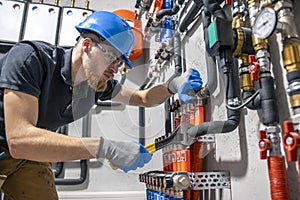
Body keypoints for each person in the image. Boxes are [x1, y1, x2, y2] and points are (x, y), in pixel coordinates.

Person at [0, 11, 202, 199]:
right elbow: (20, 139)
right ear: (87, 45)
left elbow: (143, 98)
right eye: (111, 57)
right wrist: (104, 148)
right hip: (17, 144)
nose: (115, 68)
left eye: (120, 63)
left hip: (30, 156)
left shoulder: (94, 85)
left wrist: (171, 85)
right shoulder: (30, 58)